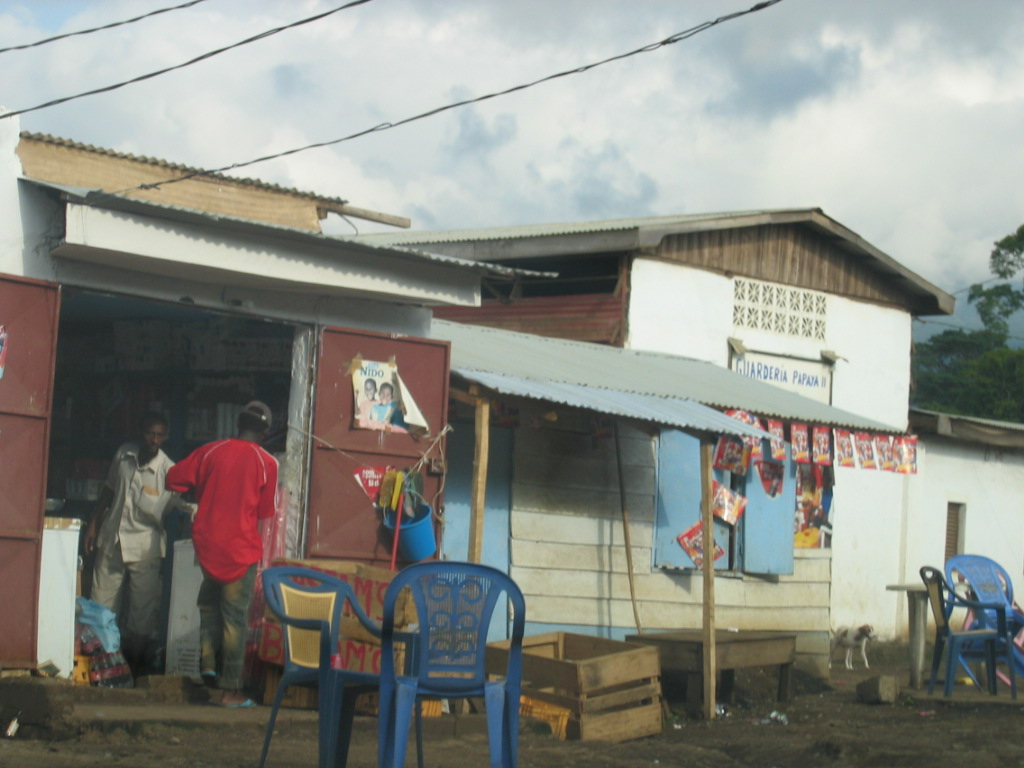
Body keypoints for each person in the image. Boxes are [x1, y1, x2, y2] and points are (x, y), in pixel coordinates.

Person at [166, 400, 279, 708]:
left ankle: (207, 666)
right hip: (240, 550)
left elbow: (173, 478)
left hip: (208, 545)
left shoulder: (210, 452)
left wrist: (205, 486)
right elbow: (266, 511)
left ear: (237, 424)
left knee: (209, 605)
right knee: (234, 619)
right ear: (266, 432)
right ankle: (231, 690)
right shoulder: (267, 462)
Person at [84, 411, 182, 675]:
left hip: (144, 550)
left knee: (141, 614)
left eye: (160, 435)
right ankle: (99, 665)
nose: (154, 439)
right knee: (100, 606)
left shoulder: (169, 471)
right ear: (142, 433)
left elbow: (181, 505)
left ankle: (133, 670)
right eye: (150, 433)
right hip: (111, 540)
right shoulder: (124, 455)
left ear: (166, 438)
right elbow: (109, 489)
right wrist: (94, 523)